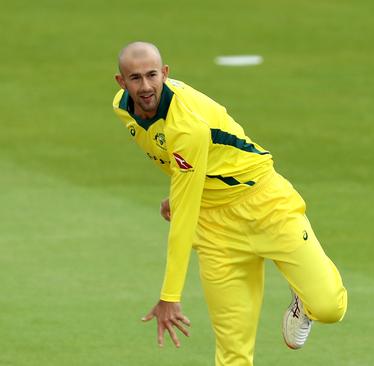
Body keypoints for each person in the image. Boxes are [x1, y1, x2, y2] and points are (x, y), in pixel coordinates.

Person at [112, 41, 348, 366]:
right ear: (121, 82)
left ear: (165, 74)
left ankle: (302, 302)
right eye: (135, 78)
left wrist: (170, 296)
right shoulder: (122, 108)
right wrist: (188, 189)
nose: (146, 86)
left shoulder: (187, 124)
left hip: (266, 205)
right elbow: (174, 156)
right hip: (216, 230)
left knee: (329, 308)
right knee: (232, 355)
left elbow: (183, 217)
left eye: (152, 75)